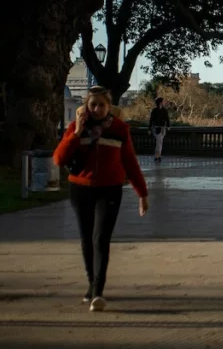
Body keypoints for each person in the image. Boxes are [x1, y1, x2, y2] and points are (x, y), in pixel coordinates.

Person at [52, 86, 148, 312]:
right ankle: (90, 284)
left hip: (110, 190)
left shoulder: (119, 129)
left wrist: (142, 194)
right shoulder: (76, 128)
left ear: (109, 107)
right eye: (92, 104)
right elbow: (58, 159)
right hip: (80, 189)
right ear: (86, 106)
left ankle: (97, 292)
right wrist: (76, 134)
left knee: (100, 239)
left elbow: (130, 163)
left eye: (101, 105)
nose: (96, 109)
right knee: (86, 238)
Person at [148, 97, 170, 162]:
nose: (164, 102)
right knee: (159, 142)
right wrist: (149, 129)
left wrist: (168, 126)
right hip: (156, 128)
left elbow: (167, 118)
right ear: (160, 102)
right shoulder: (154, 110)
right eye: (163, 101)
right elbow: (151, 120)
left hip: (163, 128)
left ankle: (157, 156)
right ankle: (158, 156)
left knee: (160, 142)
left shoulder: (164, 110)